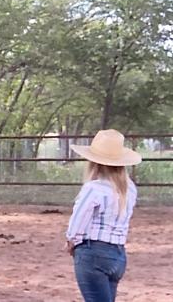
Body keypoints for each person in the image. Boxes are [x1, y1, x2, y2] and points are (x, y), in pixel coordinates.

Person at [65, 129, 142, 302]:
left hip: (93, 253)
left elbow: (78, 220)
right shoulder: (128, 188)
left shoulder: (94, 188)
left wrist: (71, 241)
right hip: (118, 254)